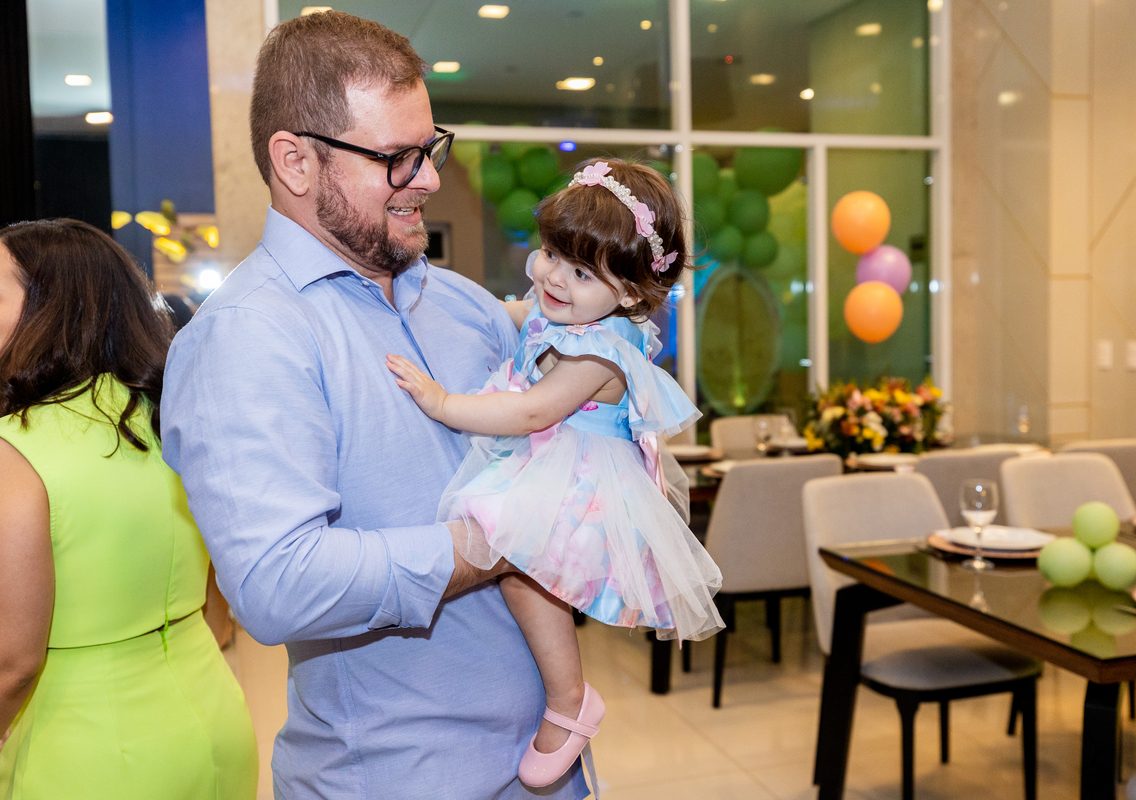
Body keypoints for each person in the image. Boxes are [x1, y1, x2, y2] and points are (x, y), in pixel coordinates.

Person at [160, 11, 589, 799]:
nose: (429, 179)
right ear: (294, 161)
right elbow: (278, 584)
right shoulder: (247, 336)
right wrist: (495, 540)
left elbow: (559, 462)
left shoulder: (470, 308)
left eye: (430, 148)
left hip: (549, 766)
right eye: (397, 158)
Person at [387, 158, 724, 786]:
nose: (553, 278)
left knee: (521, 573)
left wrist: (442, 403)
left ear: (629, 293)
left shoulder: (599, 351)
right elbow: (504, 314)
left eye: (580, 272)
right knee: (519, 576)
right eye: (550, 254)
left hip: (580, 483)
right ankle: (563, 694)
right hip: (548, 464)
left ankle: (570, 700)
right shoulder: (571, 313)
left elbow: (533, 410)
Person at [0, 219, 257, 798]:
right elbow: (219, 609)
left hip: (81, 748)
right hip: (212, 716)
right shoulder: (172, 417)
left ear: (49, 311)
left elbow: (13, 662)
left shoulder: (15, 450)